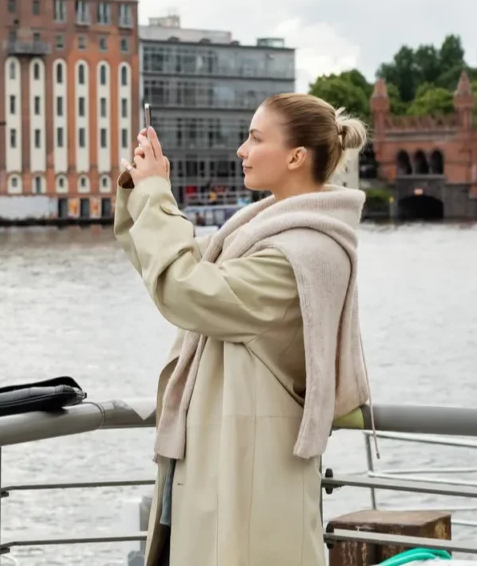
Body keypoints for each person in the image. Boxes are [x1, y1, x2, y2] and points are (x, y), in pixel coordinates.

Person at [114, 92, 376, 565]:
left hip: (246, 472)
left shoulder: (299, 254)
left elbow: (186, 289)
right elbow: (170, 272)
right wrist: (144, 190)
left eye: (256, 138)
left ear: (296, 156)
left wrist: (156, 195)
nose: (242, 149)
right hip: (223, 462)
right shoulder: (267, 233)